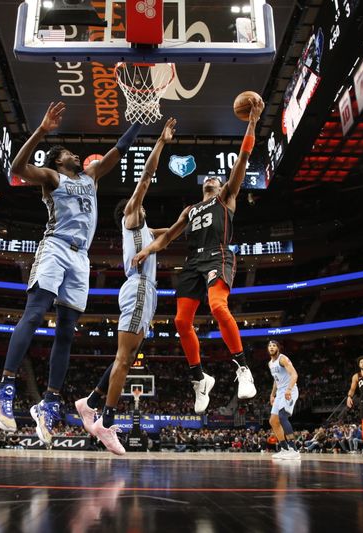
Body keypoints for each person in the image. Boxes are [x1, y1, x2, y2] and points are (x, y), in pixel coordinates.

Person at [0, 102, 142, 445]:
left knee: (68, 331)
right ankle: (4, 387)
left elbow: (121, 149)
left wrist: (139, 121)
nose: (78, 156)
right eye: (71, 152)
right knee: (35, 311)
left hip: (81, 259)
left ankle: (50, 401)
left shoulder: (92, 177)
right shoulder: (52, 177)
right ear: (59, 160)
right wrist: (42, 131)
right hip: (56, 246)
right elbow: (17, 167)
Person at [131, 96, 265, 414]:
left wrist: (252, 123)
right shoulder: (190, 210)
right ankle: (199, 379)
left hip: (218, 255)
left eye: (215, 180)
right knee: (180, 320)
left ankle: (243, 369)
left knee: (218, 306)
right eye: (208, 179)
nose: (211, 180)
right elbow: (167, 238)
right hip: (192, 262)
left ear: (221, 188)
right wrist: (145, 250)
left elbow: (243, 159)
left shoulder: (226, 198)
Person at [74, 118, 177, 455]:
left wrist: (195, 216)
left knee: (128, 356)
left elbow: (170, 233)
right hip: (139, 288)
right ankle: (106, 420)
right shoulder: (131, 215)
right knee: (123, 358)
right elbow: (146, 177)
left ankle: (89, 402)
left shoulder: (145, 232)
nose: (144, 203)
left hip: (146, 292)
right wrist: (161, 142)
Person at [266, 340, 300, 460]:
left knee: (282, 416)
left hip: (290, 390)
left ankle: (294, 450)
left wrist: (289, 389)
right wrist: (272, 394)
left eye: (274, 345)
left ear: (278, 348)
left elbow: (294, 374)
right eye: (269, 346)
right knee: (273, 421)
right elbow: (276, 379)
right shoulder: (270, 363)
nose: (271, 347)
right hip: (280, 392)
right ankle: (284, 448)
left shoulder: (283, 359)